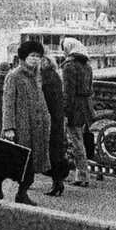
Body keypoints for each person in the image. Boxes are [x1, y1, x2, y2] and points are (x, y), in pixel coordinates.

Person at [0, 40, 51, 206]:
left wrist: (46, 118)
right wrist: (9, 127)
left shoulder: (37, 75)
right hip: (22, 126)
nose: (35, 59)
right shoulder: (13, 76)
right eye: (32, 56)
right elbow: (7, 103)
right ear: (24, 57)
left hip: (37, 126)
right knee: (21, 160)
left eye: (38, 56)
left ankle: (5, 184)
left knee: (27, 162)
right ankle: (9, 187)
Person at [61, 37, 95, 187]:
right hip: (86, 107)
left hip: (75, 108)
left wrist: (65, 113)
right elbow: (91, 88)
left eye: (64, 49)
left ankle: (83, 175)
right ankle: (81, 175)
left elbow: (68, 92)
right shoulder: (87, 64)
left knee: (76, 142)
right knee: (80, 141)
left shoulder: (69, 65)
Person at [39, 55, 69, 197]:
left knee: (51, 153)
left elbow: (44, 101)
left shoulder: (45, 79)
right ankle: (57, 183)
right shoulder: (56, 76)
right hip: (57, 119)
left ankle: (57, 183)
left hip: (49, 120)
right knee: (55, 152)